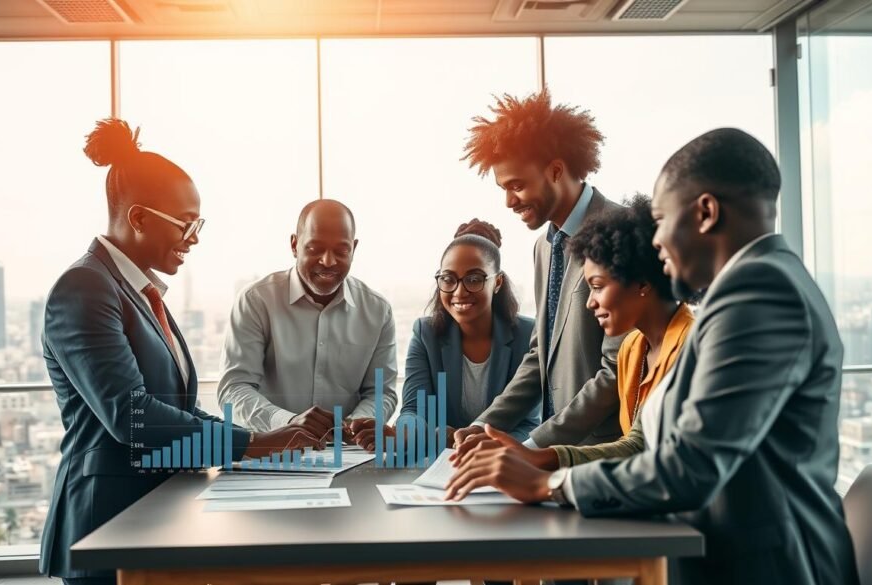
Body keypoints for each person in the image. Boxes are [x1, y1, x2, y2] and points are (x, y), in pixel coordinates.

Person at [447, 128, 858, 585]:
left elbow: (692, 465)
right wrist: (540, 458)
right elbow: (648, 441)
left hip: (762, 568)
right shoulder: (742, 295)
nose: (654, 243)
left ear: (705, 212)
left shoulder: (759, 294)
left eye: (660, 219)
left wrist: (549, 485)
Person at [40, 119, 323, 585]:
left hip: (152, 517)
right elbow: (132, 416)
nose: (195, 236)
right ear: (138, 218)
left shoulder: (139, 292)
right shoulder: (85, 289)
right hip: (107, 526)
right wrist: (252, 444)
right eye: (187, 223)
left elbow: (179, 409)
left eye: (199, 223)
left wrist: (260, 441)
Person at [450, 195, 693, 470]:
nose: (590, 302)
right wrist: (530, 456)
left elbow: (667, 462)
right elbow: (636, 444)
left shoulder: (692, 348)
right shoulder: (633, 349)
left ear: (643, 282)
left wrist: (544, 473)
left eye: (598, 287)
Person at [452, 90, 625, 450]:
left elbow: (617, 369)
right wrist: (484, 426)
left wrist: (531, 449)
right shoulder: (545, 246)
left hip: (599, 452)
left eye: (517, 185)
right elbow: (539, 355)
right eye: (503, 188)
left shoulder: (619, 231)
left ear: (556, 170)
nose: (509, 201)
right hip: (550, 454)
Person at [218, 199, 398, 441]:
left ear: (354, 248)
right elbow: (234, 388)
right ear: (295, 245)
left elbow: (381, 393)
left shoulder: (378, 310)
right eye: (315, 249)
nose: (328, 261)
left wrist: (356, 424)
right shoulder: (257, 300)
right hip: (273, 451)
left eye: (341, 250)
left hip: (348, 453)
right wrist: (289, 423)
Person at [351, 219, 539, 451]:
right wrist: (402, 434)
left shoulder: (528, 335)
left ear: (497, 282)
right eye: (448, 279)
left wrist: (477, 442)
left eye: (474, 279)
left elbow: (529, 424)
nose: (460, 292)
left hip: (502, 461)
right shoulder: (426, 333)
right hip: (438, 463)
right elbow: (414, 409)